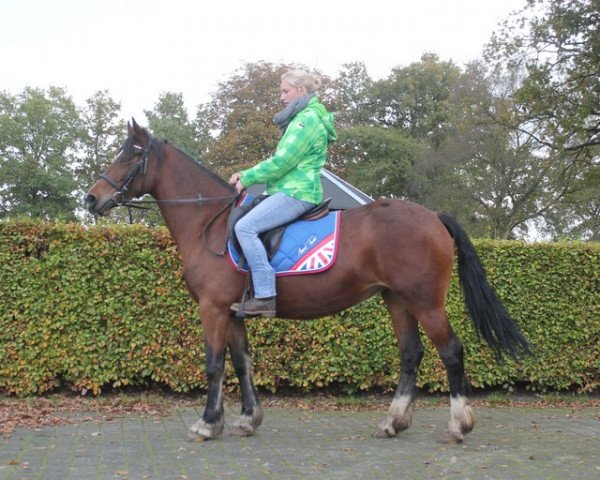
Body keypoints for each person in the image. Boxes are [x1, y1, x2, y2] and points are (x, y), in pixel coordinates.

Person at [228, 69, 337, 317]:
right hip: (291, 190)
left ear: (300, 91)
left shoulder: (305, 120)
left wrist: (246, 178)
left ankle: (265, 295)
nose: (281, 97)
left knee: (244, 227)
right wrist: (247, 173)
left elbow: (282, 162)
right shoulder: (306, 118)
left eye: (285, 91)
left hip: (297, 192)